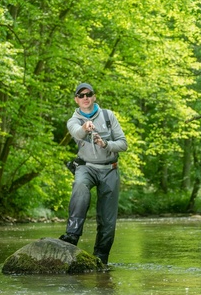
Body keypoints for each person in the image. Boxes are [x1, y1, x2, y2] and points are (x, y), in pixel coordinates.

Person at [59, 82, 128, 265]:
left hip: (109, 169)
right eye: (81, 95)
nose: (85, 98)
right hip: (86, 167)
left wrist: (106, 144)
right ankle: (72, 235)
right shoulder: (73, 120)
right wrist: (85, 128)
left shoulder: (108, 116)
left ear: (94, 97)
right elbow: (76, 132)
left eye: (88, 94)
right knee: (80, 187)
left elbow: (123, 144)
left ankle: (101, 258)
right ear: (76, 99)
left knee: (108, 219)